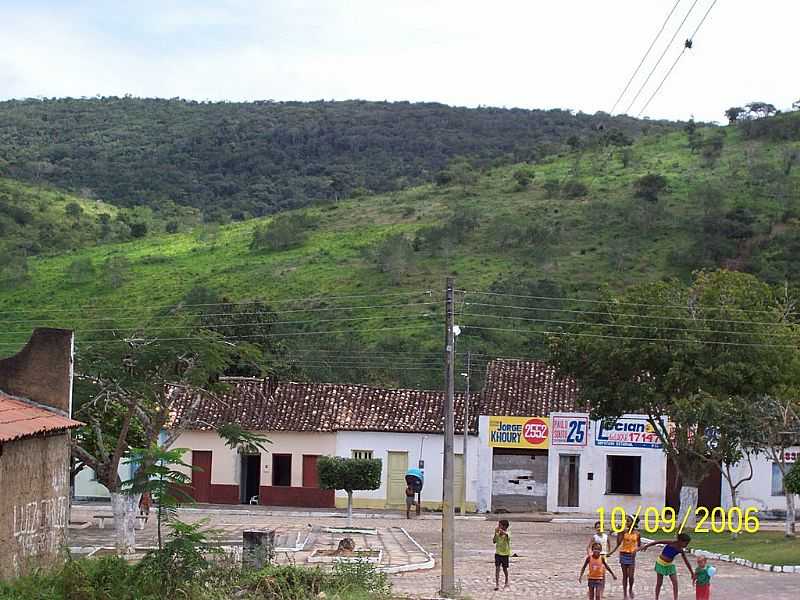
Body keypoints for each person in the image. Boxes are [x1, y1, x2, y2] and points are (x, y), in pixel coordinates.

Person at [636, 533, 695, 600]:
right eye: (686, 543)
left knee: (675, 582)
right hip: (661, 563)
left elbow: (686, 561)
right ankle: (656, 598)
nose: (686, 545)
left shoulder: (680, 550)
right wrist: (646, 546)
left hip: (669, 565)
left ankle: (675, 598)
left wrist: (692, 573)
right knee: (659, 583)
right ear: (680, 541)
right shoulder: (671, 542)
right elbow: (658, 542)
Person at [609, 516, 641, 600]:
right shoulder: (624, 532)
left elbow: (639, 545)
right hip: (623, 554)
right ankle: (625, 593)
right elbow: (618, 543)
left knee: (631, 576)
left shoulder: (637, 533)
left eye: (628, 521)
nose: (626, 522)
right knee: (625, 576)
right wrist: (618, 532)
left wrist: (636, 550)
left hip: (631, 556)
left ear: (633, 523)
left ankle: (630, 589)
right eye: (626, 521)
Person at [493, 519, 511, 591]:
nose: (498, 526)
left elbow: (507, 536)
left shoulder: (508, 533)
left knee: (504, 569)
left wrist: (501, 531)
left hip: (505, 554)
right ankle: (497, 584)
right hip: (498, 553)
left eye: (500, 525)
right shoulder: (497, 533)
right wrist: (495, 533)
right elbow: (494, 541)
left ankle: (506, 580)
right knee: (497, 568)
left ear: (504, 527)